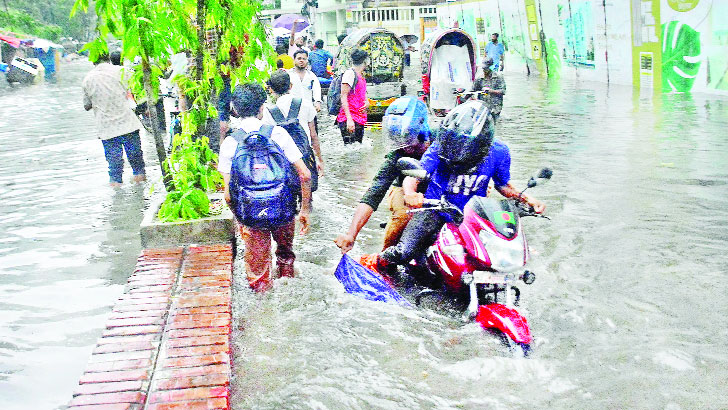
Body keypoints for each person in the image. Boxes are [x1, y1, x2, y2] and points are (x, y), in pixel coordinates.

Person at [367, 101, 545, 275]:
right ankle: (378, 263)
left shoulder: (499, 152)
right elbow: (414, 176)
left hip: (471, 216)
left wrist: (528, 199)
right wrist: (410, 194)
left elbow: (503, 185)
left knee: (498, 256)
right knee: (404, 252)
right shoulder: (440, 146)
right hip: (435, 211)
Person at [220, 83, 312, 292]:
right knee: (285, 256)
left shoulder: (230, 143)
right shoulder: (278, 134)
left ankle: (265, 312)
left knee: (258, 272)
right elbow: (305, 175)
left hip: (251, 214)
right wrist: (304, 210)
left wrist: (241, 220)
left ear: (234, 110)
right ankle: (288, 287)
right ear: (263, 107)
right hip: (284, 209)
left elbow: (227, 195)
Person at [335, 96, 431, 254]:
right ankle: (386, 260)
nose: (405, 148)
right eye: (399, 142)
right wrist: (351, 235)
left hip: (437, 191)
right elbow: (374, 192)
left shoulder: (440, 144)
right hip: (404, 192)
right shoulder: (397, 155)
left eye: (408, 141)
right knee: (403, 215)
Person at [82, 52, 146, 187]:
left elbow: (87, 106)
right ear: (108, 59)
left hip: (107, 129)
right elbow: (137, 94)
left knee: (114, 169)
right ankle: (141, 196)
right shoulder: (123, 72)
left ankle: (117, 201)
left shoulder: (88, 79)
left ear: (93, 61)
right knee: (137, 165)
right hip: (128, 124)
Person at [265, 70, 324, 188]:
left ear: (270, 89)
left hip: (282, 160)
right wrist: (319, 160)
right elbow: (313, 136)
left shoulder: (268, 112)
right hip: (304, 156)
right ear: (291, 86)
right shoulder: (306, 104)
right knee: (307, 196)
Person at [336, 48, 369, 144]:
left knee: (357, 148)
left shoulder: (360, 75)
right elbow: (343, 96)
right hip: (349, 118)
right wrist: (349, 120)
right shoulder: (350, 74)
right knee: (351, 150)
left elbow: (361, 93)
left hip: (359, 117)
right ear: (365, 61)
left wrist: (367, 102)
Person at [288, 50, 323, 114]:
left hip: (308, 109)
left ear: (307, 61)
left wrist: (317, 102)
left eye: (304, 59)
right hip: (291, 109)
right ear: (294, 60)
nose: (301, 61)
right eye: (299, 58)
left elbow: (316, 89)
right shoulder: (288, 75)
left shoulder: (311, 75)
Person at [473, 57, 506, 122]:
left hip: (495, 107)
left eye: (486, 69)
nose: (485, 70)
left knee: (495, 122)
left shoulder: (498, 77)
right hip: (483, 106)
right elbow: (473, 90)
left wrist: (491, 91)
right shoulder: (479, 78)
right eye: (483, 69)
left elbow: (503, 91)